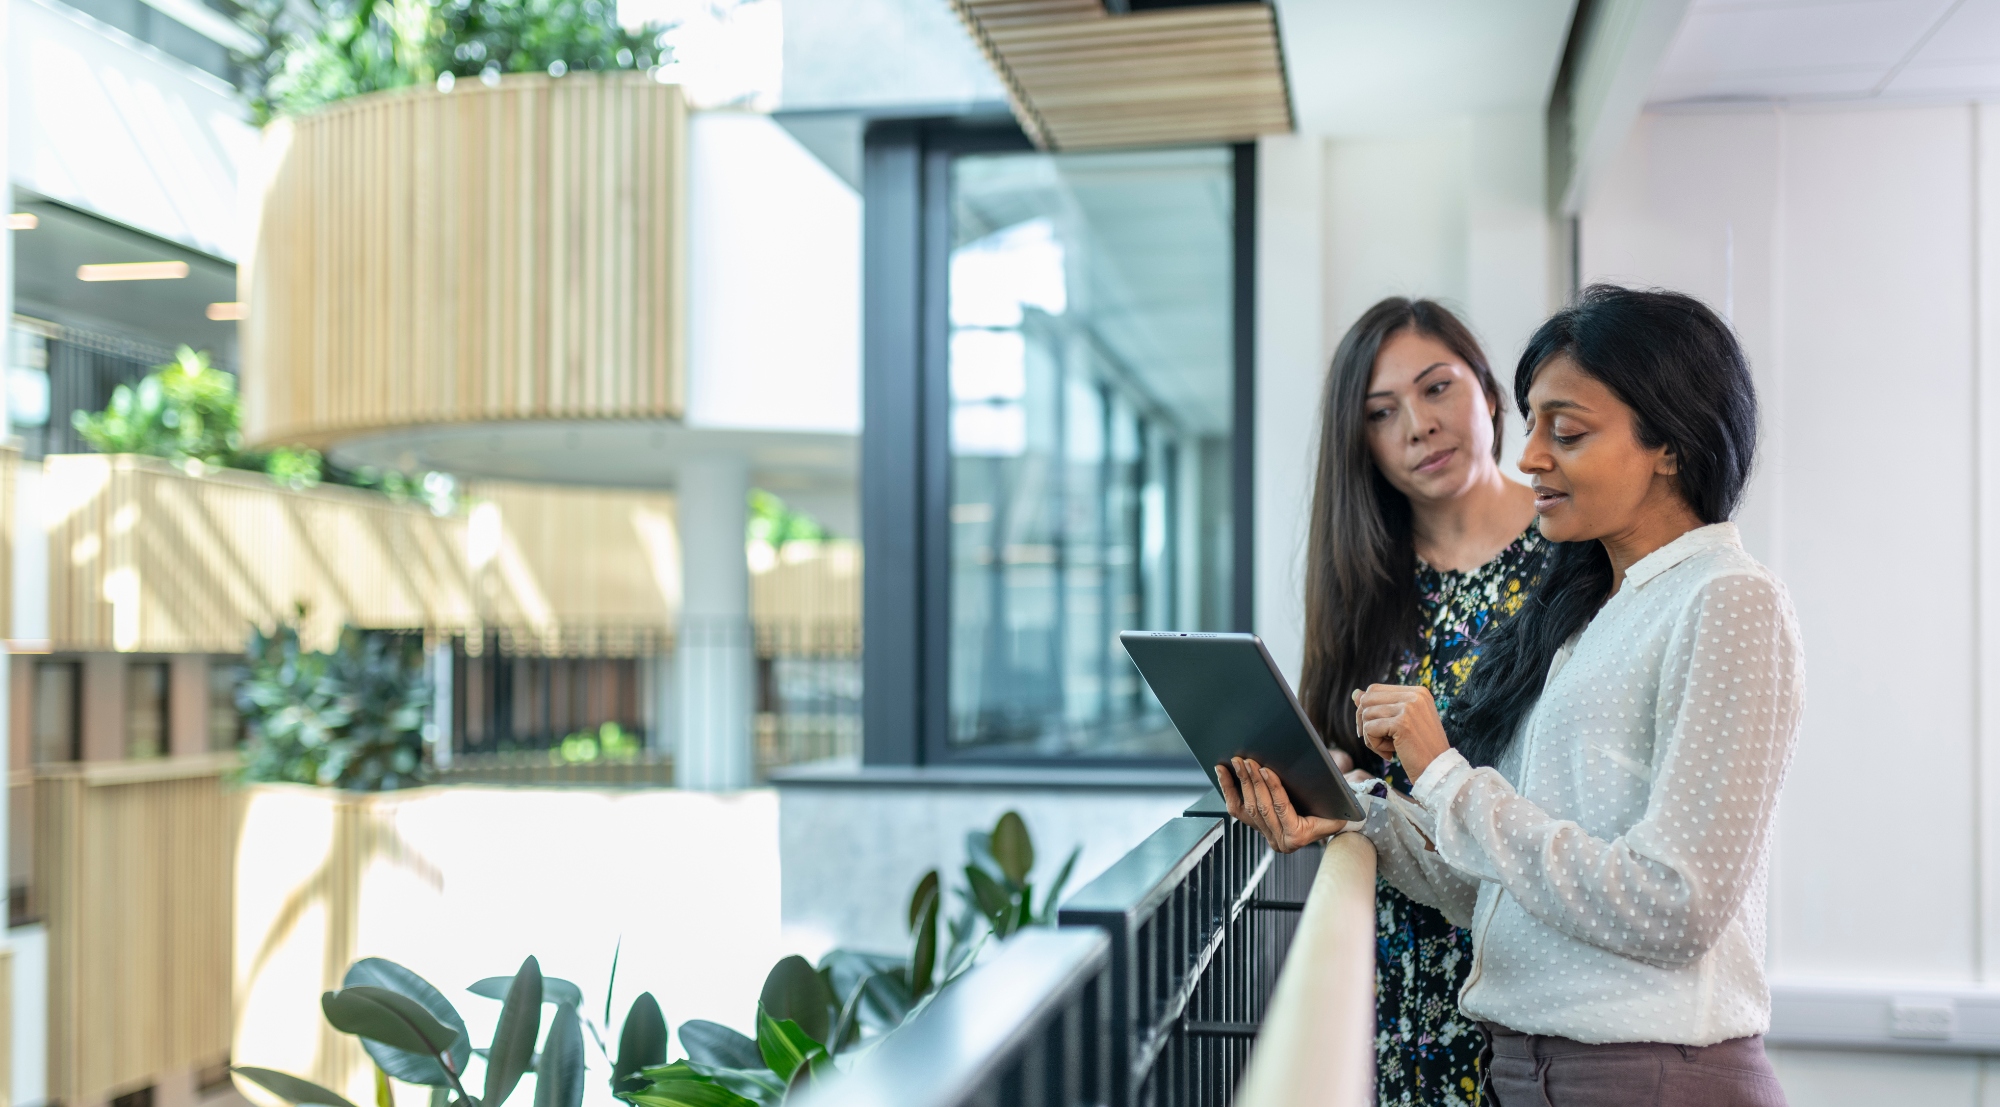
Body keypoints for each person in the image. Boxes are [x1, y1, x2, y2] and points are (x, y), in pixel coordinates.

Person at [1222, 285, 1800, 1107]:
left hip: (1642, 1069)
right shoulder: (1587, 618)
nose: (1530, 458)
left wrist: (1445, 773)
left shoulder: (1729, 599)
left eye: (1565, 431)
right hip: (1532, 1067)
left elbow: (1678, 903)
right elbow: (1492, 885)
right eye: (1533, 427)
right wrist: (1353, 807)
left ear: (1670, 443)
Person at [1263, 295, 1544, 1105]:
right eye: (1381, 413)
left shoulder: (1573, 549)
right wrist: (1303, 780)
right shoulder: (1366, 578)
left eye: (1436, 388)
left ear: (1488, 391)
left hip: (1535, 941)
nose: (1417, 426)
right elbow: (1340, 751)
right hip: (1402, 963)